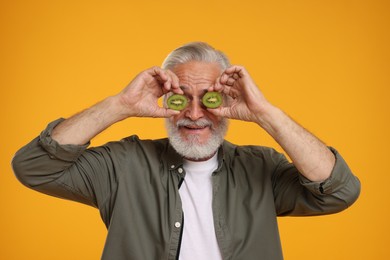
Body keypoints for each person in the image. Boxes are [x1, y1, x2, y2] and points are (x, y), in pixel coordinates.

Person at [12, 42, 360, 260]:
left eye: (209, 98)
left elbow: (340, 191)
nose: (194, 115)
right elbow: (33, 166)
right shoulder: (123, 165)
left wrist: (265, 113)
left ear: (226, 99)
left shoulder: (261, 168)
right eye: (182, 99)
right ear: (165, 100)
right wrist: (120, 105)